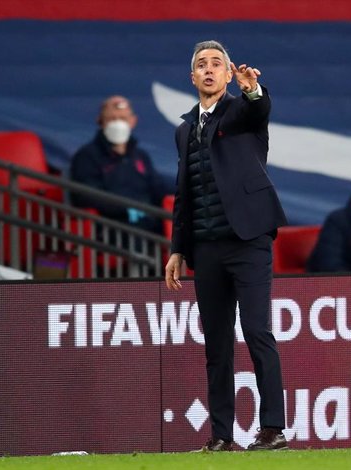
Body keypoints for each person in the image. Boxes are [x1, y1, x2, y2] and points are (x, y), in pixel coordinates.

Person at [165, 40, 288, 452]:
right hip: (207, 248)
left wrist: (252, 89)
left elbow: (259, 108)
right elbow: (185, 193)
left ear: (228, 71)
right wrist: (178, 249)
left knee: (256, 332)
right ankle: (221, 435)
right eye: (201, 64)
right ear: (193, 76)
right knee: (216, 345)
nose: (209, 70)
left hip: (248, 240)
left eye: (217, 63)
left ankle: (273, 429)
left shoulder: (240, 112)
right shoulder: (184, 130)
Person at [69, 95, 171, 233]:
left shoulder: (140, 156)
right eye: (112, 119)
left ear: (133, 121)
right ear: (100, 122)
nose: (118, 124)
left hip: (148, 223)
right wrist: (126, 209)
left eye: (123, 119)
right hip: (111, 228)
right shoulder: (87, 156)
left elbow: (158, 188)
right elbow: (86, 195)